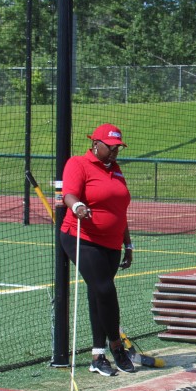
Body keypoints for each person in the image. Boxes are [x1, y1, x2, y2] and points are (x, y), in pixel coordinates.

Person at [60, 123, 135, 376]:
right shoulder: (78, 163)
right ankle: (116, 346)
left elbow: (120, 211)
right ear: (95, 144)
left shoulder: (116, 169)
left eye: (118, 147)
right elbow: (69, 194)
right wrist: (78, 207)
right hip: (83, 237)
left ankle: (97, 356)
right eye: (111, 147)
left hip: (112, 243)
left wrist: (128, 244)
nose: (115, 151)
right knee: (105, 289)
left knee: (98, 294)